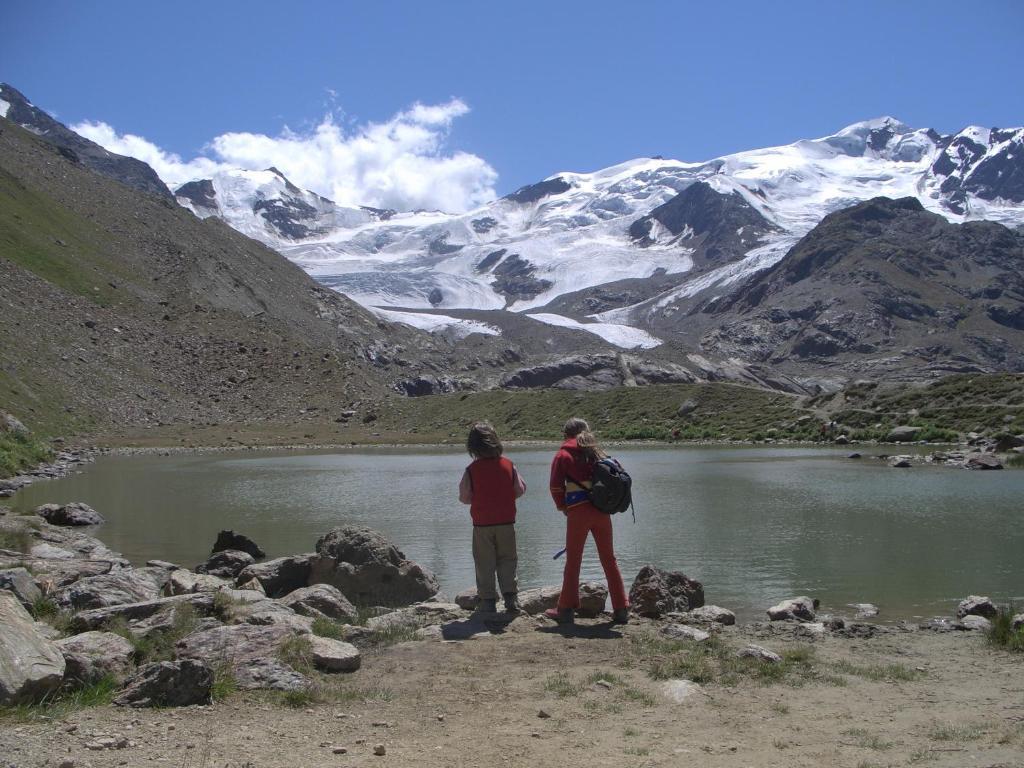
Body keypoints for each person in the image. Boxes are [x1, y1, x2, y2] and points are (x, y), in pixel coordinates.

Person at [546, 417, 629, 625]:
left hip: (577, 512)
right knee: (609, 560)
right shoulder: (597, 452)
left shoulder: (563, 454)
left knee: (574, 561)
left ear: (566, 434)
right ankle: (621, 608)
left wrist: (563, 507)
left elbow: (556, 487)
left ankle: (565, 609)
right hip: (602, 511)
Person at [458, 421, 526, 613]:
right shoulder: (509, 465)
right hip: (506, 521)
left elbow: (464, 497)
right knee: (508, 559)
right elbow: (520, 490)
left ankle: (487, 600)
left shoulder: (471, 470)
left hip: (482, 524)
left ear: (472, 447)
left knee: (484, 561)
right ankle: (511, 598)